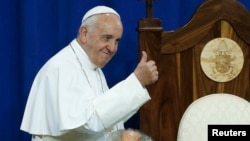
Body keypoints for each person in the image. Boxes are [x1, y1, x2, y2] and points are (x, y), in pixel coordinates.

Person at [20, 5, 158, 141]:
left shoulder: (93, 67)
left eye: (117, 41)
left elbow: (108, 119)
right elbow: (88, 122)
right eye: (106, 38)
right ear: (84, 33)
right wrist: (136, 82)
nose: (112, 48)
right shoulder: (62, 68)